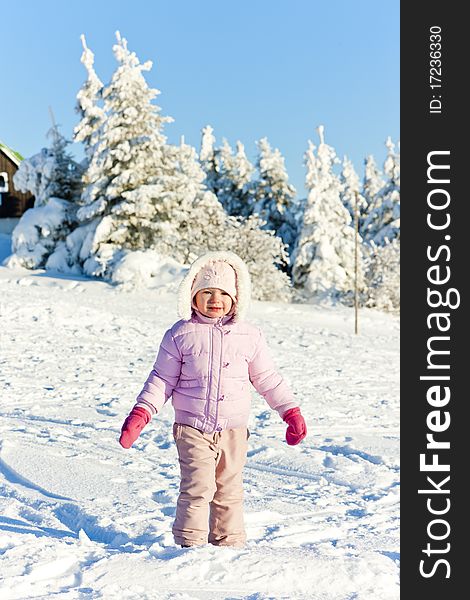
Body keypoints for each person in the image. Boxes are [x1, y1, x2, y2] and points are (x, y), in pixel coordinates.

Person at [119, 250, 307, 548]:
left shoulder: (250, 336)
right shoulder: (180, 335)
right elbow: (161, 380)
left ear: (236, 298)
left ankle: (229, 545)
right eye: (206, 292)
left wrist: (290, 411)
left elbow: (268, 379)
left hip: (234, 431)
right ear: (192, 295)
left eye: (223, 293)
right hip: (192, 428)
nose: (215, 299)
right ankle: (189, 546)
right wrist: (141, 414)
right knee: (198, 488)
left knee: (229, 491)